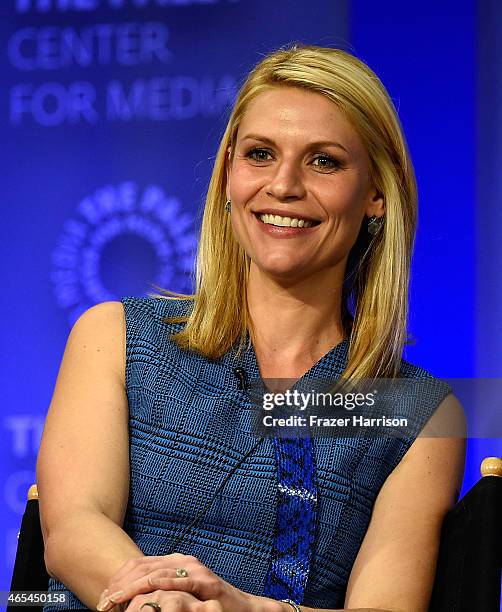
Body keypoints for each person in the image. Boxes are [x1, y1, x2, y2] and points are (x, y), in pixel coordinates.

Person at [37, 43, 466, 612]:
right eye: (260, 154)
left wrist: (241, 609)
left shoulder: (417, 411)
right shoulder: (115, 337)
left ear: (375, 196)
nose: (283, 185)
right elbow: (72, 529)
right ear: (227, 177)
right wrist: (163, 604)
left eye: (324, 161)